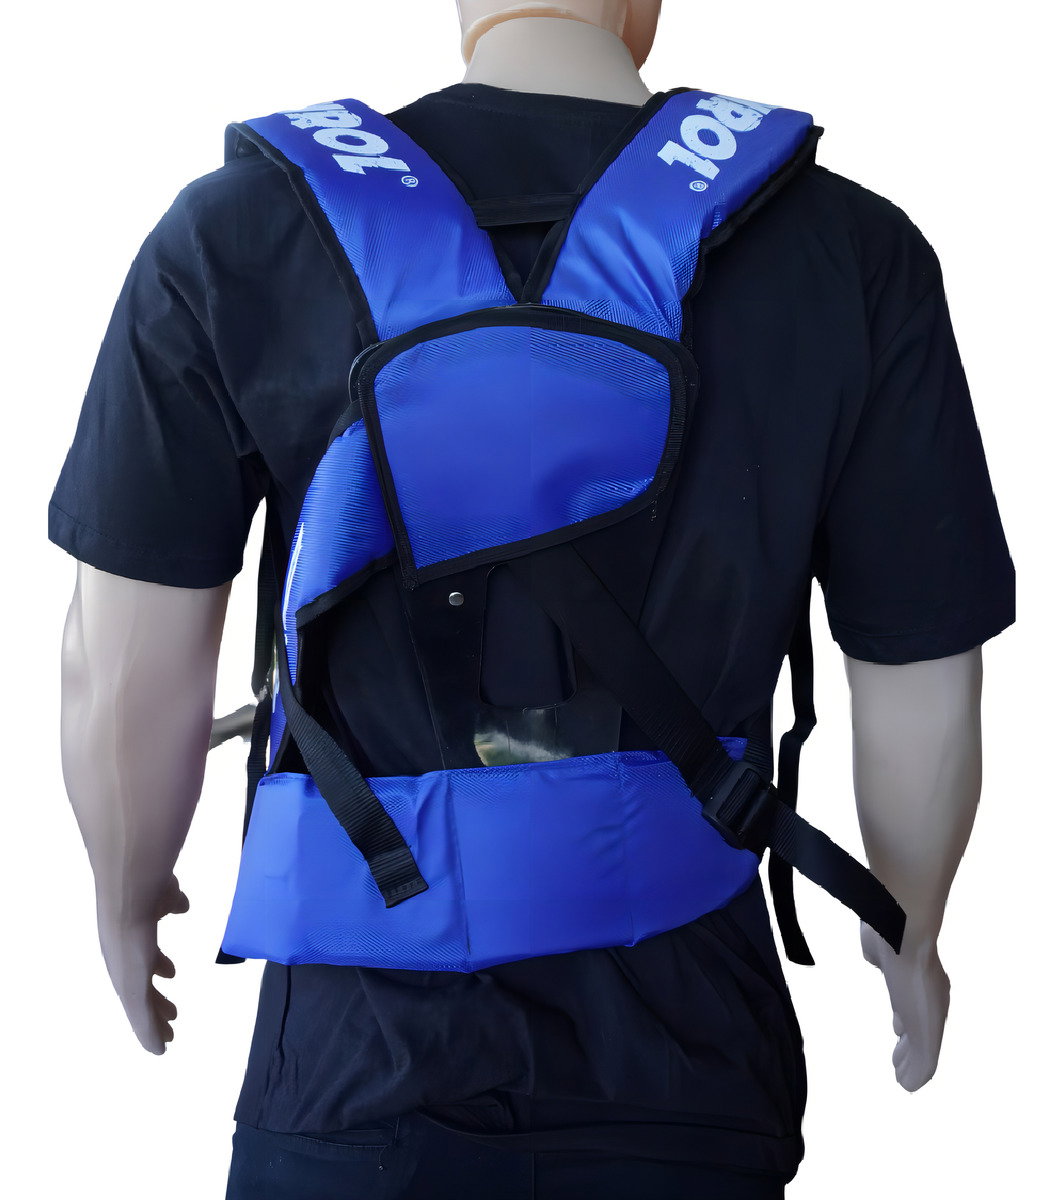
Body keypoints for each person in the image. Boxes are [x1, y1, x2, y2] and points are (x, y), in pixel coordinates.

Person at [49, 3, 1015, 1197]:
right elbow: (922, 673)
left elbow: (115, 663)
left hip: (352, 1074)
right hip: (690, 1073)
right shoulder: (848, 251)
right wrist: (909, 928)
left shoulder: (235, 233)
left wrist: (124, 885)